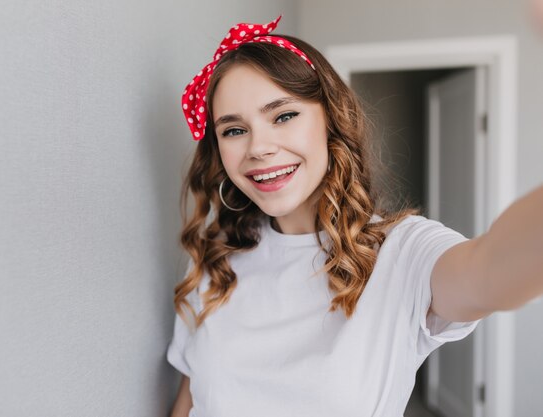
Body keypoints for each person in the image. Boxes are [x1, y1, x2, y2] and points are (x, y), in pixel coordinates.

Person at [166, 16, 543, 417]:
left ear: (330, 119)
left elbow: (489, 271)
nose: (258, 147)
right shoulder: (213, 260)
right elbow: (191, 400)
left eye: (283, 116)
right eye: (234, 130)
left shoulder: (403, 253)